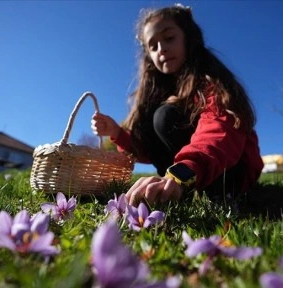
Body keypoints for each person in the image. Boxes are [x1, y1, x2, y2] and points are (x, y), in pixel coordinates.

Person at [91, 4, 264, 207]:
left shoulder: (210, 81)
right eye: (152, 46)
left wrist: (181, 174)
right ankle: (176, 192)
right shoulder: (159, 93)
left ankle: (194, 188)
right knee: (152, 118)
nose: (161, 49)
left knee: (165, 116)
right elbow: (149, 151)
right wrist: (118, 133)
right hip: (185, 174)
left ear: (189, 38)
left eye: (169, 38)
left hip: (231, 173)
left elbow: (218, 132)